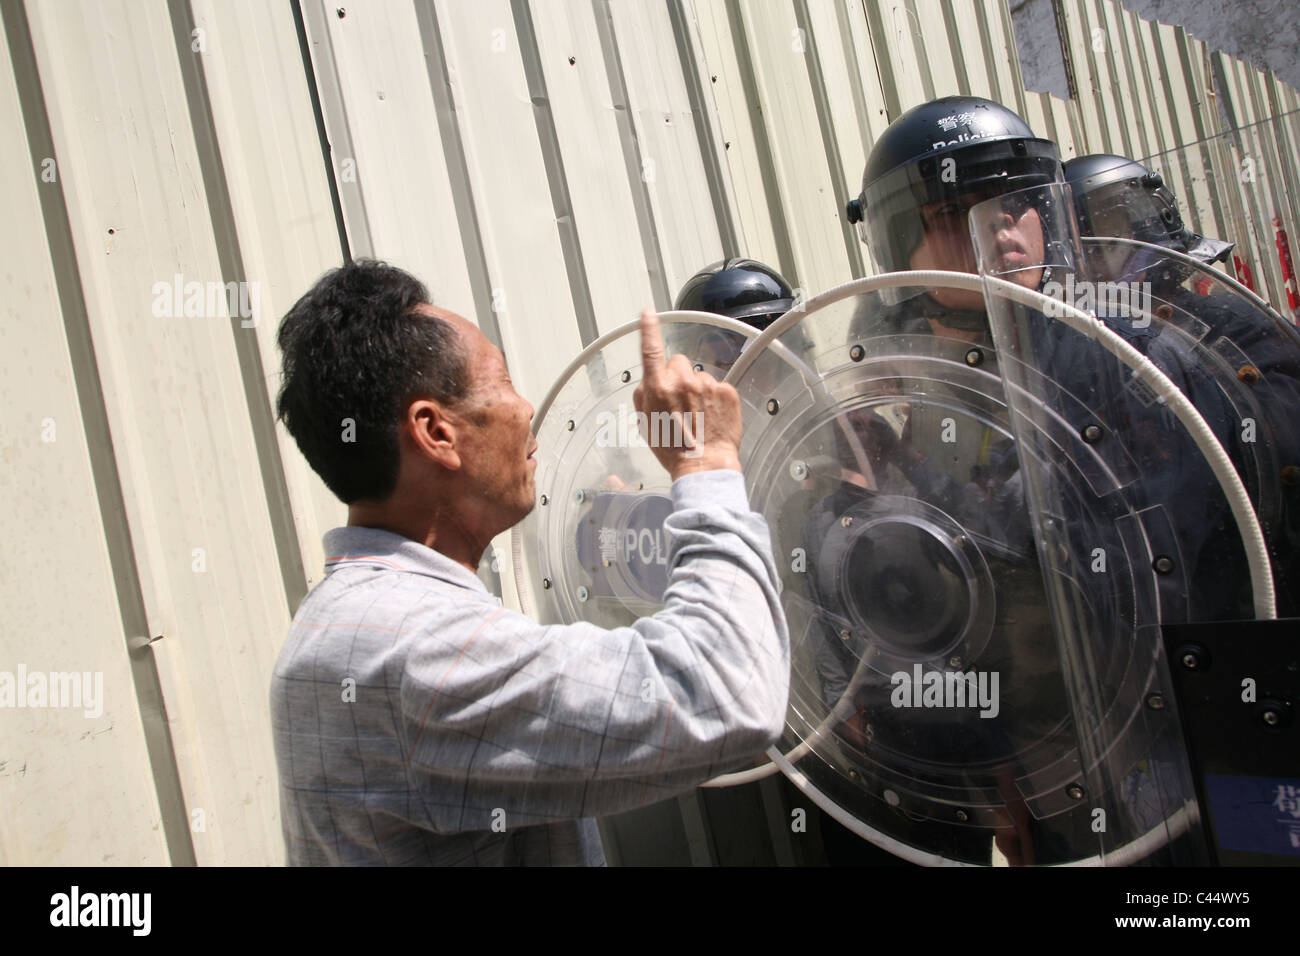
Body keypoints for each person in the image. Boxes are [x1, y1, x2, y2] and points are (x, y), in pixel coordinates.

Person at [269, 259, 790, 865]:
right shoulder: (413, 650)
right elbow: (728, 693)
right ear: (436, 432)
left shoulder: (355, 621)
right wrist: (706, 464)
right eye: (504, 382)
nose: (524, 407)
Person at [1064, 154, 1300, 614]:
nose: (1095, 262)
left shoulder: (1235, 327)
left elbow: (1265, 457)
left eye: (1108, 240)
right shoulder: (1074, 365)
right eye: (1082, 250)